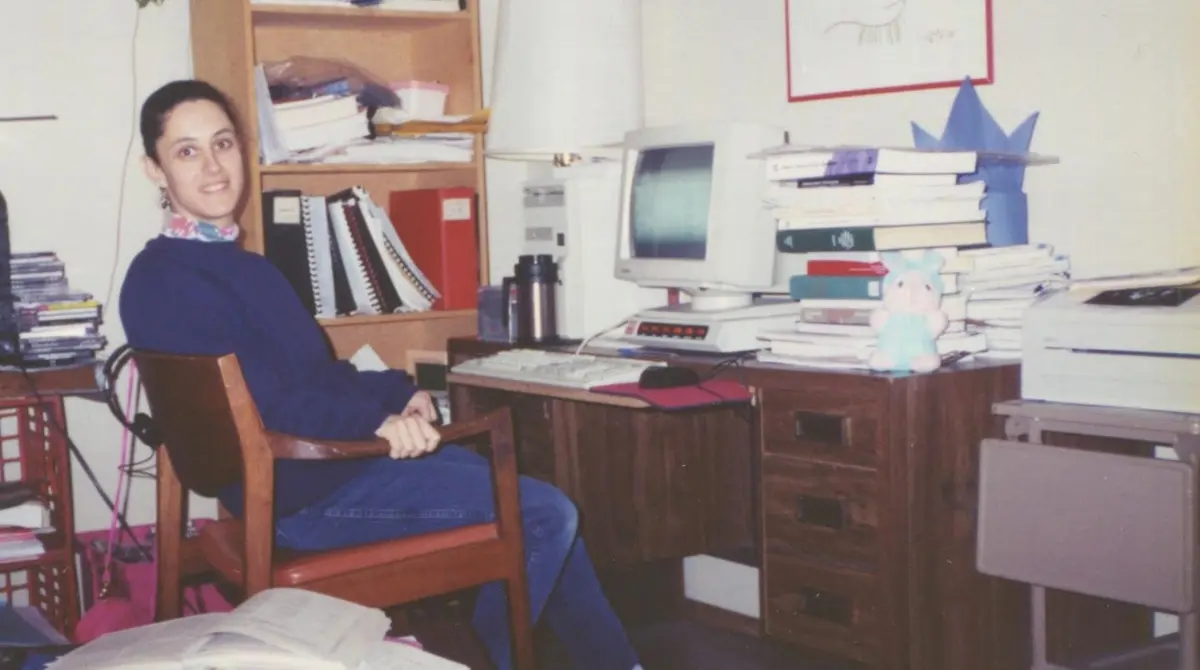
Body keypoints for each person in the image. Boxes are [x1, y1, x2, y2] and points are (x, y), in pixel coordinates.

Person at [119, 79, 643, 670]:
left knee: (535, 503)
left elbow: (317, 376)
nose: (213, 167)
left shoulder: (244, 267)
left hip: (328, 470)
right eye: (187, 152)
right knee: (544, 513)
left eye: (222, 143)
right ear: (154, 169)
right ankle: (478, 661)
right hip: (305, 497)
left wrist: (402, 393)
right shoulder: (165, 281)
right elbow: (267, 405)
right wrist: (378, 420)